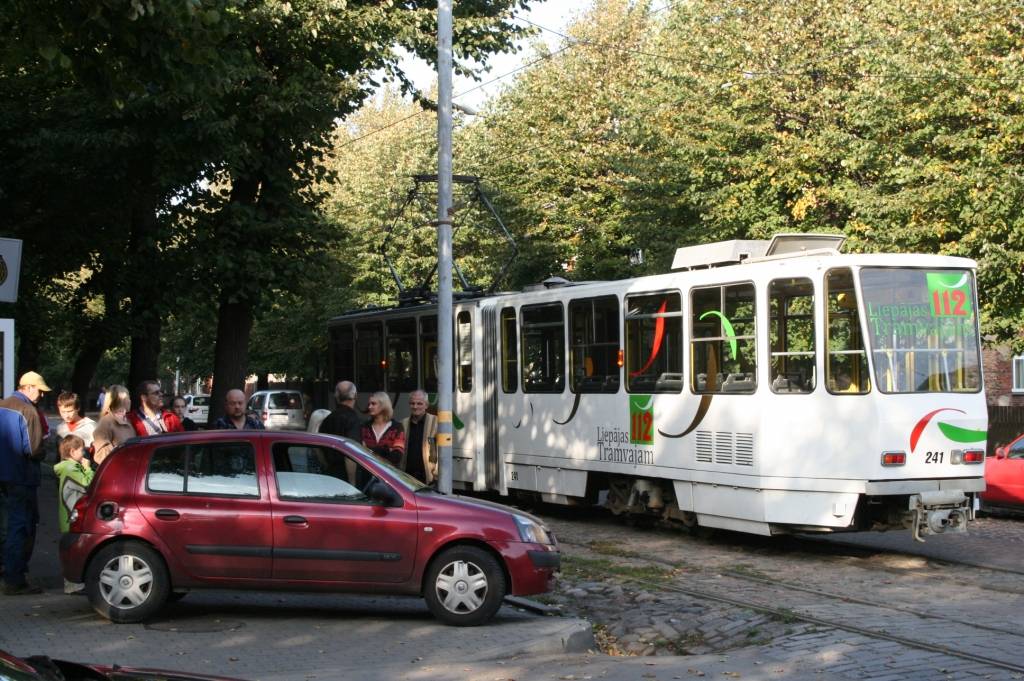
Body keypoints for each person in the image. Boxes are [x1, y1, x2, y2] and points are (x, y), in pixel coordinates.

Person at [0, 371, 50, 595]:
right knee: (20, 526)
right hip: (21, 477)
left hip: (4, 475)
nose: (41, 395)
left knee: (5, 524)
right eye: (39, 390)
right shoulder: (28, 411)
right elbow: (33, 449)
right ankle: (14, 579)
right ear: (27, 388)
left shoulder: (1, 405)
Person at [53, 435, 93, 594]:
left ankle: (73, 584)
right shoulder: (71, 469)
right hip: (72, 516)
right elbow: (87, 484)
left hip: (71, 515)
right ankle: (72, 585)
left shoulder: (70, 468)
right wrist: (88, 468)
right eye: (81, 449)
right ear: (72, 451)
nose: (84, 452)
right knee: (73, 548)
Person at [400, 389, 437, 484]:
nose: (415, 407)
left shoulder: (435, 422)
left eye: (419, 403)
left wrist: (435, 474)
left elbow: (442, 450)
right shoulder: (403, 423)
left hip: (429, 478)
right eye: (412, 403)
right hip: (407, 477)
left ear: (426, 405)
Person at [92, 385, 135, 465]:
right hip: (117, 470)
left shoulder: (127, 420)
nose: (130, 400)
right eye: (128, 397)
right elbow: (101, 455)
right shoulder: (106, 421)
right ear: (121, 400)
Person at [360, 392, 405, 467]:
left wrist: (369, 449)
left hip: (389, 475)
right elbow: (360, 453)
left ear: (383, 405)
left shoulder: (397, 427)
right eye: (369, 404)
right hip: (367, 474)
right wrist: (386, 449)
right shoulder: (364, 427)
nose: (369, 407)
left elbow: (396, 457)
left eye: (373, 404)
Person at [55, 392, 96, 456]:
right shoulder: (60, 428)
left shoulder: (91, 427)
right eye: (63, 412)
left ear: (78, 408)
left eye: (70, 411)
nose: (66, 415)